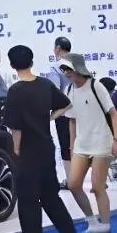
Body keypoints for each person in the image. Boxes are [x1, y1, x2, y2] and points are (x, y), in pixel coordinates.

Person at [3, 45, 79, 233]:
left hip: (27, 151)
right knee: (50, 196)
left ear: (12, 65)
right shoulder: (45, 84)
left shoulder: (15, 91)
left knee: (28, 202)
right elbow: (66, 104)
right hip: (46, 147)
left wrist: (16, 150)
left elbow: (16, 127)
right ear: (32, 61)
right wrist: (49, 118)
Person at [59, 53, 117, 233]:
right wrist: (72, 146)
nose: (66, 73)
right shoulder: (69, 90)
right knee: (73, 184)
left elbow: (113, 113)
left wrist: (116, 140)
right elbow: (72, 120)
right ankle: (91, 220)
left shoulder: (96, 86)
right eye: (64, 69)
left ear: (78, 68)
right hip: (81, 144)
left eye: (69, 69)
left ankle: (105, 223)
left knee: (97, 186)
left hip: (102, 141)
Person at [46, 37, 74, 187]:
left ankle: (71, 180)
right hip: (82, 112)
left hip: (64, 113)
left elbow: (54, 93)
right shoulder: (78, 65)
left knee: (66, 145)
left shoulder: (56, 68)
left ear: (57, 48)